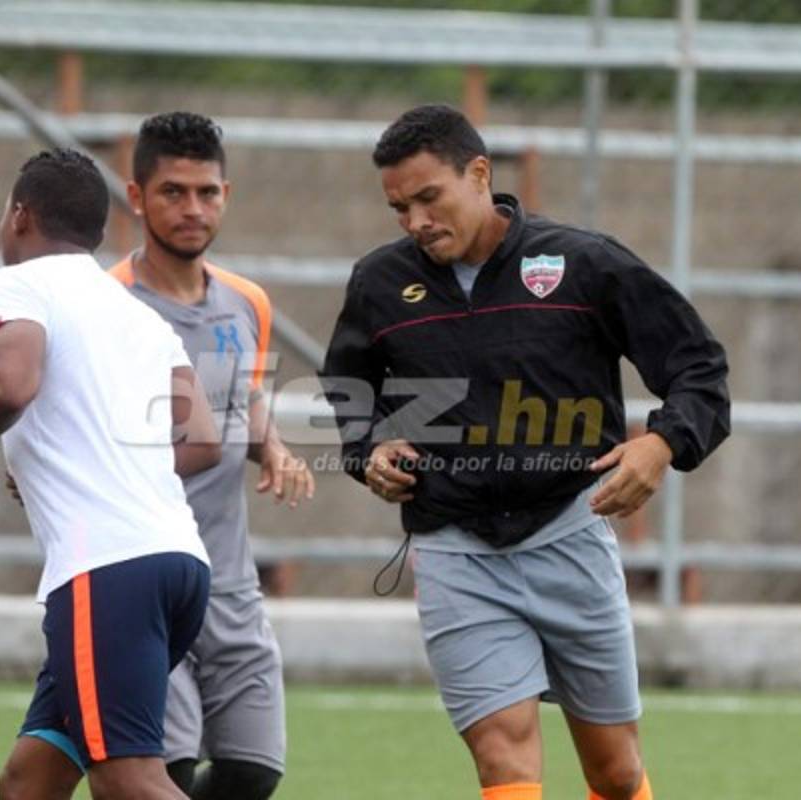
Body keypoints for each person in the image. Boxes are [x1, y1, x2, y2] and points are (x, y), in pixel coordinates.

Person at [320, 104, 730, 800]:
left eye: (429, 198)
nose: (415, 221)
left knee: (615, 771)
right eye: (399, 208)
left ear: (479, 174)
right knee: (503, 755)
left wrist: (660, 444)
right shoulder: (380, 283)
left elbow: (699, 368)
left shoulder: (582, 263)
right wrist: (370, 450)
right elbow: (349, 388)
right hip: (454, 549)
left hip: (570, 534)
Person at [0, 148, 217, 800]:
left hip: (106, 570)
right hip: (179, 566)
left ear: (20, 216)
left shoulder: (17, 284)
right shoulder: (139, 314)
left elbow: (10, 383)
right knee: (29, 782)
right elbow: (203, 440)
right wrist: (99, 464)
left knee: (127, 780)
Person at [108, 111, 312, 799]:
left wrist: (273, 447)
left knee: (252, 772)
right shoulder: (105, 306)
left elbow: (241, 399)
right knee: (162, 773)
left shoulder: (247, 303)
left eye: (207, 192)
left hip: (229, 582)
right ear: (137, 197)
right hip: (140, 579)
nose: (192, 209)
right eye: (173, 192)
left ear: (226, 195)